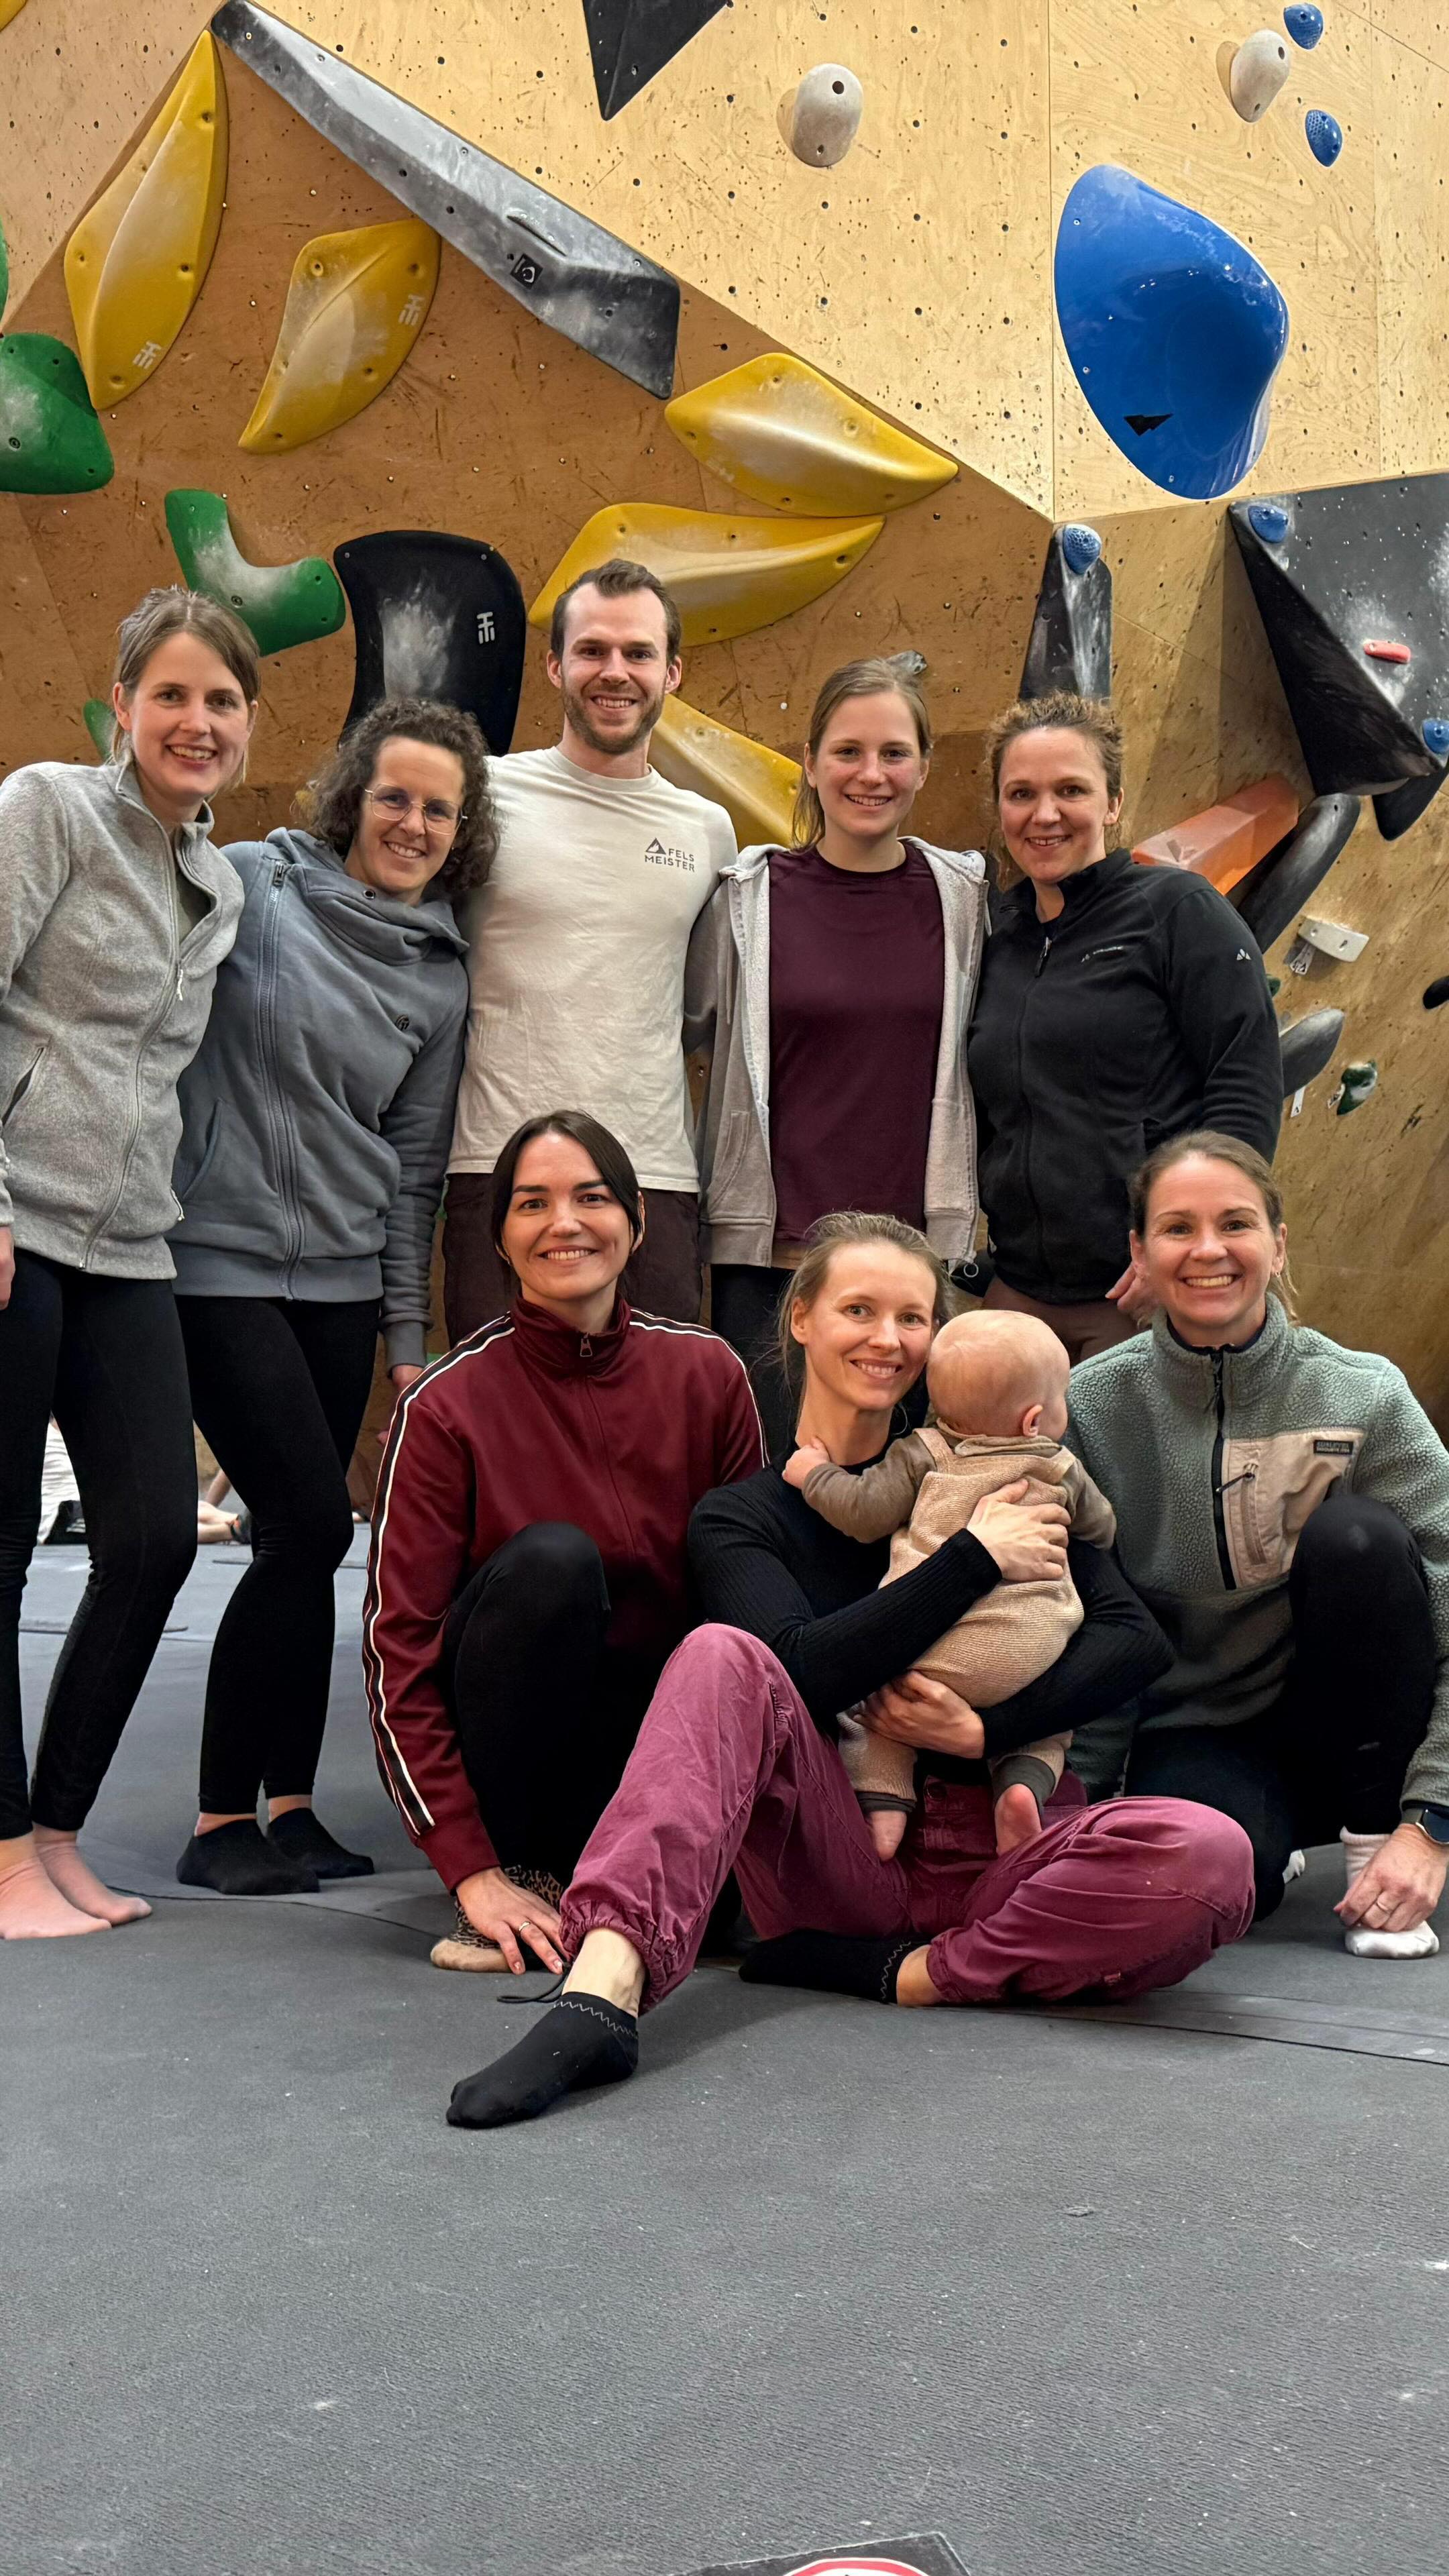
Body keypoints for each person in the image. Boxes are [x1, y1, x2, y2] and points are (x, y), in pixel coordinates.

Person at [445, 1212, 1254, 2127]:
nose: (887, 1338)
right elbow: (799, 1673)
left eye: (913, 1318)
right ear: (802, 1318)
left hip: (1005, 1845)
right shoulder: (743, 1517)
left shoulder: (1002, 1468)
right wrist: (972, 1563)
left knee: (1213, 1856)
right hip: (841, 1857)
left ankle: (917, 1975)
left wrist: (987, 1728)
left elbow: (1133, 1638)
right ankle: (599, 1996)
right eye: (859, 1310)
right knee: (722, 1655)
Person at [169, 698, 485, 1896]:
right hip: (219, 1263)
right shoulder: (253, 887)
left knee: (314, 1542)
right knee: (302, 1523)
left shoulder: (441, 973)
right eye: (395, 796)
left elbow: (412, 1175)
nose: (412, 822)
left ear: (461, 834)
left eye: (438, 809)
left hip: (346, 1284)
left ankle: (290, 1807)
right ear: (354, 794)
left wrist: (408, 1336)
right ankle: (214, 1822)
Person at [0, 587, 256, 1940]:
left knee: (154, 1536)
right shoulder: (47, 807)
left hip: (127, 1242)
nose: (195, 721)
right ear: (124, 704)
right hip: (12, 1221)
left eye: (221, 701)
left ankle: (53, 1831)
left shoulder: (213, 883)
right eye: (172, 694)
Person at [364, 1110, 764, 1974]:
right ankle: (524, 1877)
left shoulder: (710, 1375)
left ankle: (643, 1857)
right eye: (532, 1204)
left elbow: (753, 1611)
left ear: (636, 1220)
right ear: (501, 1237)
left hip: (653, 1762)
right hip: (517, 1767)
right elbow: (397, 1654)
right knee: (554, 1560)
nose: (564, 1224)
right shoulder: (444, 1405)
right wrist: (470, 1869)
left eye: (590, 1197)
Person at [1066, 1131, 1449, 1957]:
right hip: (1202, 1729)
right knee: (1222, 1889)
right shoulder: (1091, 1408)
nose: (1209, 1250)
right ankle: (1270, 1847)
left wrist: (1434, 1819)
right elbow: (1080, 1619)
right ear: (1140, 1252)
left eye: (1235, 1223)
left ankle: (1375, 1843)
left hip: (1358, 1731)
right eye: (1177, 1228)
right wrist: (1075, 1805)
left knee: (1359, 1539)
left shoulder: (1366, 1393)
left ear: (1277, 1245)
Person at [694, 655, 986, 1450]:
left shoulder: (965, 903)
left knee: (907, 1503)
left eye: (894, 753)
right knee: (777, 1486)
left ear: (924, 766)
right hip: (775, 1262)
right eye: (848, 752)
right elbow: (683, 1031)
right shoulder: (747, 901)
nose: (871, 774)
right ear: (813, 762)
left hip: (918, 1270)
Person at [442, 559, 737, 1338]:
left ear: (672, 671)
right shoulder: (480, 796)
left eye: (638, 653)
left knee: (661, 1447)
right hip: (499, 1173)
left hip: (653, 1179)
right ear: (555, 665)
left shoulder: (706, 831)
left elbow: (703, 1005)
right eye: (593, 650)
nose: (616, 672)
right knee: (501, 1439)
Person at [966, 693, 1283, 1363]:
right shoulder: (998, 940)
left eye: (1071, 790)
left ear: (1112, 802)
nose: (1044, 814)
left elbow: (1244, 1080)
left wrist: (1181, 1247)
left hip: (1144, 1296)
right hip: (1020, 1294)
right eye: (1021, 793)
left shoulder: (1178, 911)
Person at [785, 1305, 1117, 1856]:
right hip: (1036, 1649)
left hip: (936, 1649)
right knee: (1049, 1729)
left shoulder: (926, 1452)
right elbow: (1103, 1528)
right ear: (1035, 1420)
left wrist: (813, 1474)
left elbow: (865, 1512)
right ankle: (1019, 1789)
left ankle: (884, 1809)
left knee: (875, 1712)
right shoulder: (1058, 1465)